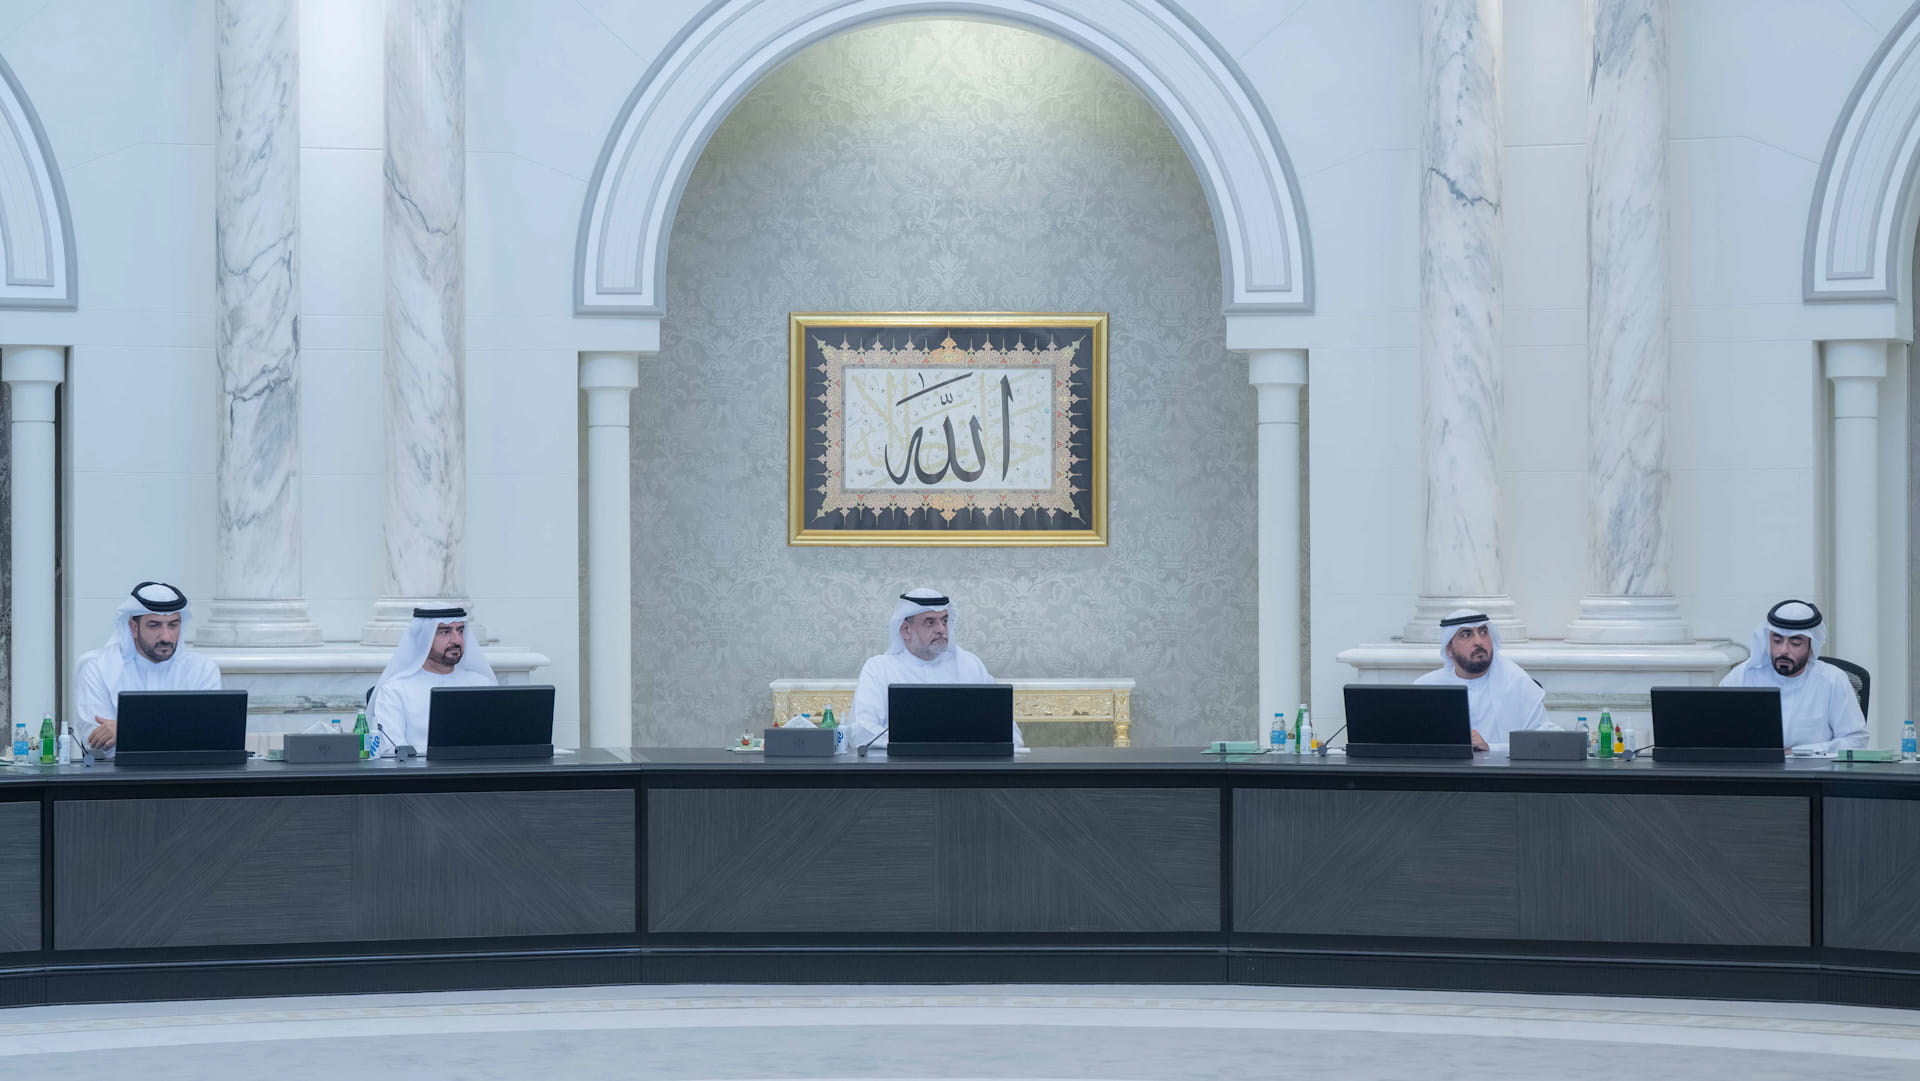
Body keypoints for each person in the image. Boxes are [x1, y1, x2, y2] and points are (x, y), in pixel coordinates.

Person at [849, 588, 1023, 752]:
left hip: (965, 768)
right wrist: (923, 745)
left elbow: (1008, 729)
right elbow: (861, 731)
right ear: (906, 630)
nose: (941, 629)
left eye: (944, 620)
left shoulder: (969, 664)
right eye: (930, 622)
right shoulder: (879, 669)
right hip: (903, 768)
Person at [72, 581, 223, 756]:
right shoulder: (97, 667)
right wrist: (178, 730)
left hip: (187, 770)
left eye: (173, 625)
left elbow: (210, 735)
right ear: (134, 628)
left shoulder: (202, 669)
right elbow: (94, 741)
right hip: (119, 772)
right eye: (154, 625)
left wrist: (125, 729)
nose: (166, 637)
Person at [1718, 599, 1867, 752]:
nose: (1783, 650)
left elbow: (1855, 740)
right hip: (1753, 765)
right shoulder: (1743, 676)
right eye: (1777, 641)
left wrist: (1798, 752)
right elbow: (1718, 731)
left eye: (1795, 643)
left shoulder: (1832, 680)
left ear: (1811, 646)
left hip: (1812, 766)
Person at [1412, 609, 1546, 753]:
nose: (1478, 641)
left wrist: (1491, 748)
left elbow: (1546, 743)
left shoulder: (1517, 682)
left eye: (1483, 632)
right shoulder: (1426, 688)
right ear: (1449, 648)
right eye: (1466, 635)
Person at [367, 606, 497, 752]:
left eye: (460, 631)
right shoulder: (395, 689)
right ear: (424, 638)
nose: (457, 640)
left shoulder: (483, 684)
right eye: (445, 632)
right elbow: (392, 750)